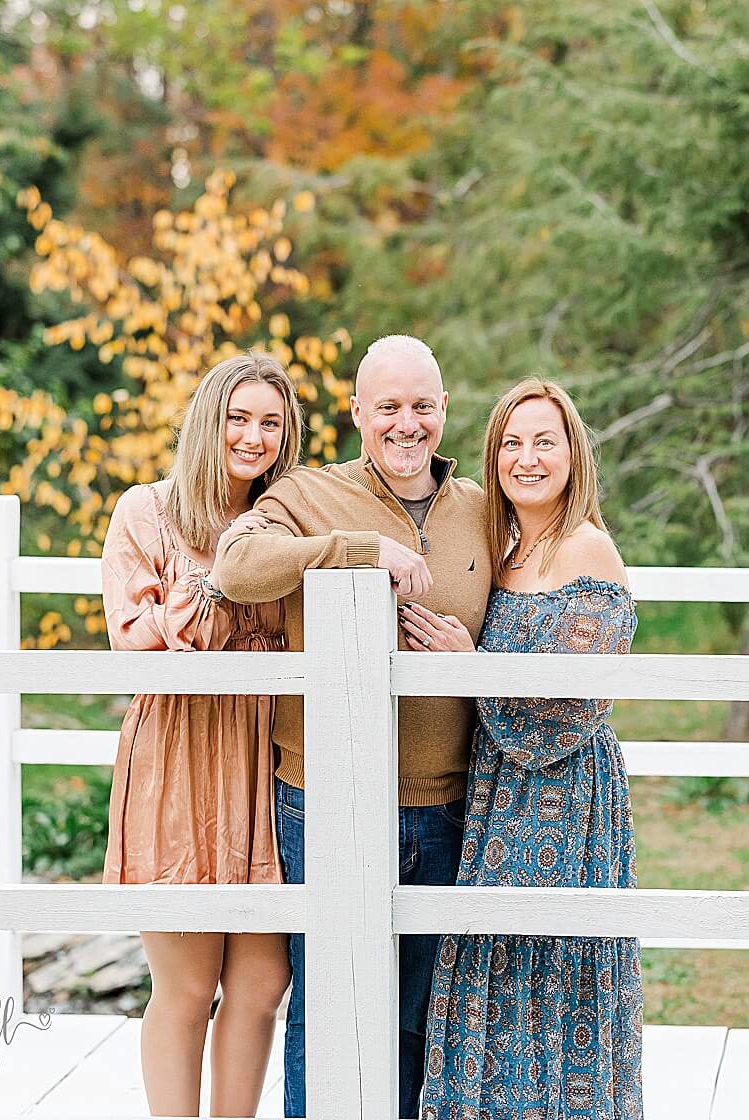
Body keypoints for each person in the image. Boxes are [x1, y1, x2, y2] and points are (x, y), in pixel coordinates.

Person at [211, 334, 493, 1118]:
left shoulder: (480, 507)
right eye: (390, 408)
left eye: (423, 407)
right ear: (358, 412)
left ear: (444, 411)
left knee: (418, 1018)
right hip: (324, 798)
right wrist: (363, 551)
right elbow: (234, 571)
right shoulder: (309, 494)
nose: (407, 425)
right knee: (327, 1012)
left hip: (448, 805)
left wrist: (474, 656)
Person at [401, 377, 645, 1120]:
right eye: (511, 443)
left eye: (544, 441)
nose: (527, 458)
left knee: (556, 971)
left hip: (567, 797)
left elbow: (570, 708)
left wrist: (468, 665)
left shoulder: (588, 552)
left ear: (573, 453)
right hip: (495, 800)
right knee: (494, 969)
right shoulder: (504, 553)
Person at [100, 352, 301, 1118]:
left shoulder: (286, 517)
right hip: (178, 752)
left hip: (267, 753)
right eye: (238, 418)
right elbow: (132, 640)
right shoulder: (146, 511)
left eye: (271, 423)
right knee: (186, 986)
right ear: (208, 422)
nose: (253, 437)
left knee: (260, 982)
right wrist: (216, 577)